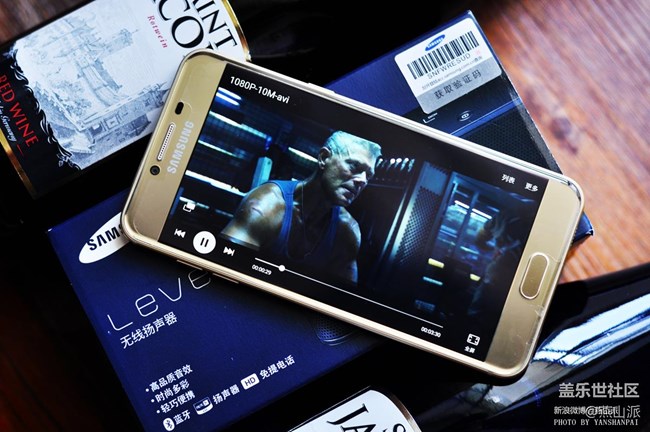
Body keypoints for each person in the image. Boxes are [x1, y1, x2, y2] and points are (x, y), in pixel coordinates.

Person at [220, 130, 382, 283]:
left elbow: (339, 297)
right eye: (354, 166)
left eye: (368, 175)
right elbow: (224, 267)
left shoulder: (347, 231)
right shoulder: (267, 206)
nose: (362, 180)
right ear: (324, 158)